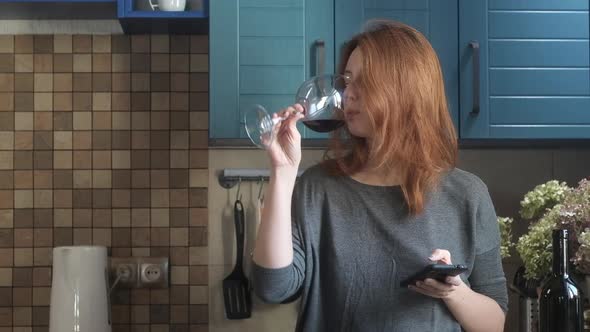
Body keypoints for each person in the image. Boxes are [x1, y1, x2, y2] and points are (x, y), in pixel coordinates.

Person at [251, 19, 508, 332]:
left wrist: (455, 292)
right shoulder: (317, 188)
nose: (347, 95)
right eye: (347, 81)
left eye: (364, 82)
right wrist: (282, 170)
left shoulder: (467, 194)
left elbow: (494, 323)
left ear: (408, 90)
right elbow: (273, 287)